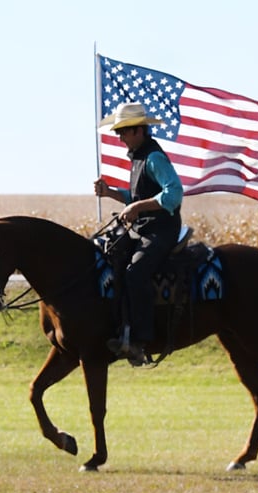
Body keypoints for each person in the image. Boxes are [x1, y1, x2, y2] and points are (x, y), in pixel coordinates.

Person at [94, 102, 183, 366]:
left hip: (162, 230)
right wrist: (110, 193)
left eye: (123, 131)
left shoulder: (153, 158)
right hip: (144, 229)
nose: (119, 137)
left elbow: (174, 194)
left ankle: (140, 340)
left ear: (138, 130)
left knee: (136, 273)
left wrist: (137, 207)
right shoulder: (139, 158)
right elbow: (137, 196)